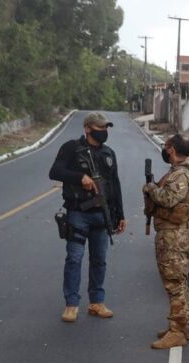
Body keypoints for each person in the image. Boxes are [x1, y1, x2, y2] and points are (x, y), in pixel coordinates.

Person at [49, 112, 126, 322]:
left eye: (106, 128)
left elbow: (115, 184)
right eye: (100, 128)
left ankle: (96, 302)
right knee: (74, 258)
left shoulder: (109, 153)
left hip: (103, 215)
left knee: (99, 260)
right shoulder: (72, 148)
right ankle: (71, 304)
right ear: (87, 128)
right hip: (78, 214)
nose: (104, 132)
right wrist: (79, 177)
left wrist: (120, 214)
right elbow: (54, 171)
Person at [143, 134, 189, 349]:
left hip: (174, 235)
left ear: (171, 149)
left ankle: (177, 331)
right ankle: (181, 326)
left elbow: (168, 198)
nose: (164, 150)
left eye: (166, 147)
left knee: (174, 283)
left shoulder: (181, 175)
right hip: (178, 233)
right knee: (179, 282)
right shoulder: (183, 171)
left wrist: (150, 188)